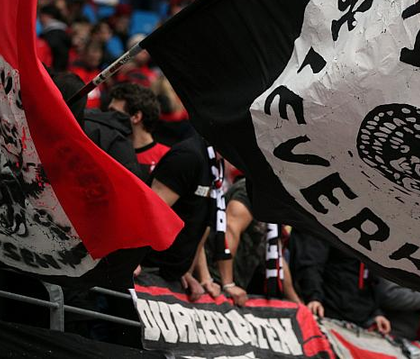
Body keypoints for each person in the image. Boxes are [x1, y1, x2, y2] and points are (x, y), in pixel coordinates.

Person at [196, 176, 301, 307]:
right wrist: (228, 284)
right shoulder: (252, 190)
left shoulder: (274, 201)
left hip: (233, 286)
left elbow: (276, 255)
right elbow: (230, 228)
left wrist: (296, 302)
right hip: (213, 281)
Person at [142, 133, 216, 296]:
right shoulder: (189, 156)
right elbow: (150, 212)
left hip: (171, 274)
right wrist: (132, 260)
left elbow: (200, 224)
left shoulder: (216, 165)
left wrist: (187, 271)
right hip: (148, 268)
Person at [290, 229, 390, 334]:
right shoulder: (324, 225)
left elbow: (367, 274)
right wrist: (313, 297)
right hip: (326, 312)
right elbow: (310, 262)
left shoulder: (367, 230)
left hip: (359, 318)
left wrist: (376, 313)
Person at [108, 82, 170, 173]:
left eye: (114, 112)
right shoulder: (108, 153)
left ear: (136, 117)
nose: (107, 117)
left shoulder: (167, 158)